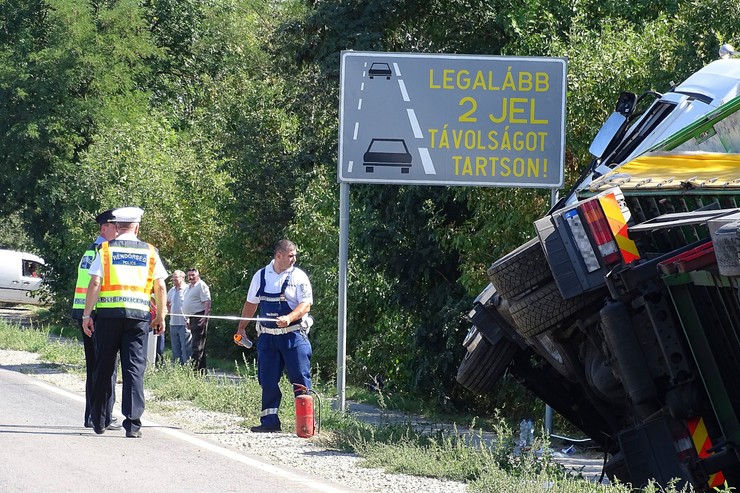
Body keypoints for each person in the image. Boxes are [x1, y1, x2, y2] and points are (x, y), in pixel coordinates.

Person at [81, 206, 167, 438]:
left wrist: (87, 315)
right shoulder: (150, 252)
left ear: (117, 227)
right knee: (134, 369)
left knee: (104, 367)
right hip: (138, 319)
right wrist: (161, 315)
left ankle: (100, 420)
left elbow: (95, 283)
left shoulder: (105, 250)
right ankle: (133, 424)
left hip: (108, 317)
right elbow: (160, 285)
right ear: (137, 228)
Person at [236, 239, 313, 433]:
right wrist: (241, 328)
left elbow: (306, 305)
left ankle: (306, 424)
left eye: (295, 255)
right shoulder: (261, 276)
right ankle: (269, 422)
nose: (294, 259)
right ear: (279, 255)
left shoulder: (299, 276)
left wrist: (289, 318)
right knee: (267, 380)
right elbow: (251, 304)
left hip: (293, 336)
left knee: (300, 379)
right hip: (268, 338)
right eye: (291, 255)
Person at [70, 208, 120, 430]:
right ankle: (103, 415)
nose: (118, 231)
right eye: (115, 227)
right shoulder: (103, 251)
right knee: (106, 367)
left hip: (86, 312)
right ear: (104, 228)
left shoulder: (91, 249)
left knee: (95, 366)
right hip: (97, 314)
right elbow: (96, 284)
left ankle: (92, 414)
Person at [182, 267, 211, 373]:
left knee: (197, 346)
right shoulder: (188, 287)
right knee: (198, 345)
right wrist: (187, 319)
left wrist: (205, 317)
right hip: (192, 317)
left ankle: (194, 372)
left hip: (199, 316)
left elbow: (207, 302)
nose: (191, 277)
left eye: (193, 275)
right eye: (189, 275)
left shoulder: (201, 285)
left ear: (198, 275)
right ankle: (201, 372)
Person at [167, 270, 191, 364]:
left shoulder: (188, 289)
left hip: (184, 323)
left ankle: (187, 368)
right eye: (173, 277)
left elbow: (192, 305)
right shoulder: (172, 290)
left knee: (186, 350)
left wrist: (189, 318)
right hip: (173, 323)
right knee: (175, 349)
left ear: (182, 278)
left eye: (176, 277)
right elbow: (167, 302)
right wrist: (169, 311)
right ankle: (177, 368)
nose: (173, 279)